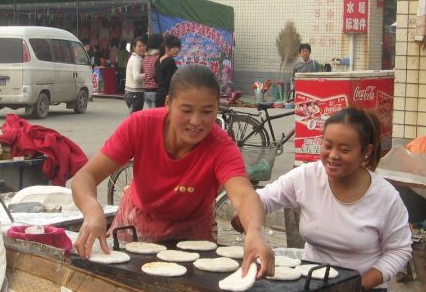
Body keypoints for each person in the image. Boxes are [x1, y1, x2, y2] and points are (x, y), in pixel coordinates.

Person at [72, 65, 274, 279]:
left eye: (207, 112)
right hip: (138, 220)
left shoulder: (221, 146)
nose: (196, 121)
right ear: (168, 103)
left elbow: (243, 195)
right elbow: (86, 176)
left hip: (193, 229)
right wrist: (92, 209)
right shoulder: (140, 126)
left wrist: (255, 231)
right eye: (186, 110)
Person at [253, 108, 412, 292]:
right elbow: (262, 199)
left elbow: (400, 250)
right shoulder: (307, 177)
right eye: (328, 146)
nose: (333, 155)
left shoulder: (385, 197)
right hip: (310, 283)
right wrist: (249, 223)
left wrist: (357, 285)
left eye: (345, 149)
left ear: (365, 152)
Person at [154, 35, 181, 108]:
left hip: (159, 94)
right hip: (168, 94)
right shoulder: (170, 61)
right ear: (167, 47)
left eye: (178, 47)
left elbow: (155, 79)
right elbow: (173, 80)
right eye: (174, 47)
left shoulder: (158, 60)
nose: (177, 50)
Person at [124, 36, 146, 113]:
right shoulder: (136, 60)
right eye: (139, 46)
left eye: (144, 46)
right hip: (135, 94)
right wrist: (148, 75)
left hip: (130, 93)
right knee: (135, 118)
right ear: (134, 47)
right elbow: (136, 77)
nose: (142, 48)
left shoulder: (133, 58)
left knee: (134, 117)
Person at [142, 33, 163, 108]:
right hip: (155, 90)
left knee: (151, 115)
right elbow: (155, 74)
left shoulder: (146, 57)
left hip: (146, 90)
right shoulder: (158, 57)